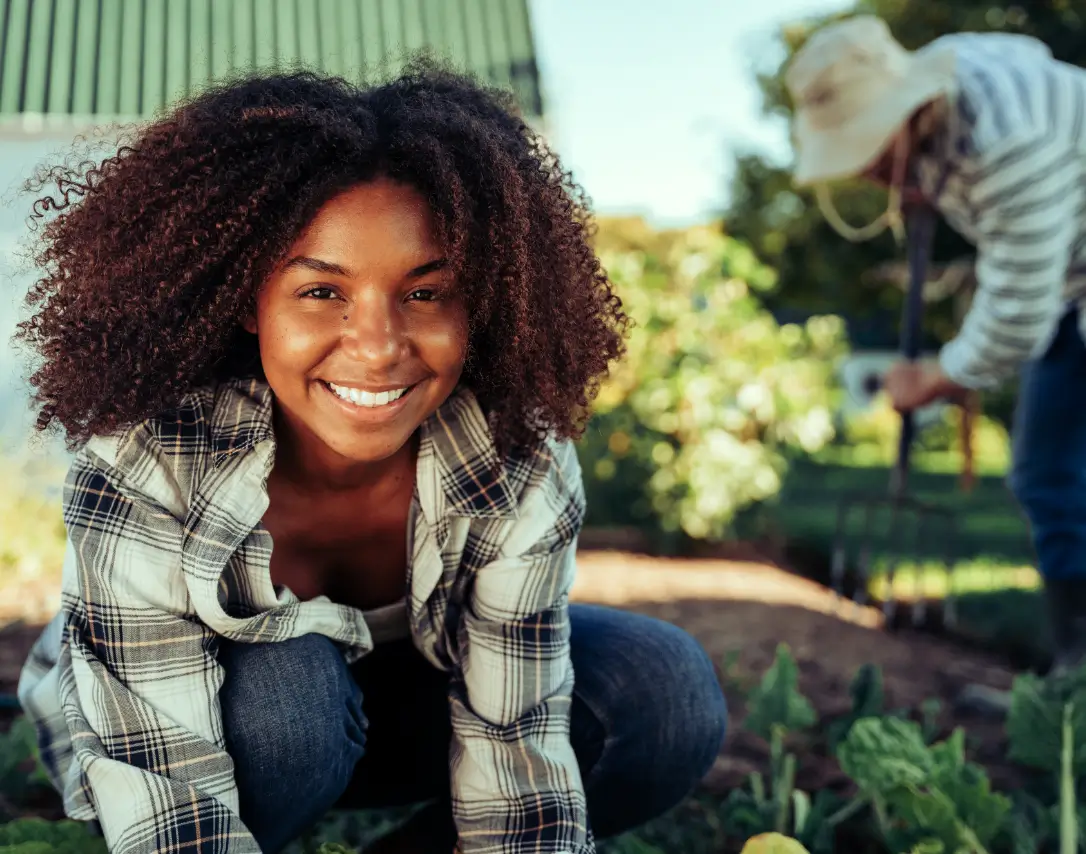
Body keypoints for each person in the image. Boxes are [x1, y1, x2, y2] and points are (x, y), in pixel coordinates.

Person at [15, 64, 727, 854]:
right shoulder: (150, 452)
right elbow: (166, 787)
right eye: (322, 293)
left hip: (401, 715)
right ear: (244, 300)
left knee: (661, 687)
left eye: (425, 294)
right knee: (292, 695)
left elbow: (514, 744)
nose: (379, 348)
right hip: (177, 734)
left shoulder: (514, 455)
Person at [785, 16, 1086, 703]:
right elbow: (1026, 53)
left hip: (1058, 287)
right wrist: (923, 171)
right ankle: (1076, 682)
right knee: (1045, 473)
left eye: (868, 147)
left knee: (1060, 474)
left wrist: (939, 377)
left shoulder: (1012, 145)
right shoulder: (946, 73)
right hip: (1073, 281)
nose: (865, 171)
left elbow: (1018, 314)